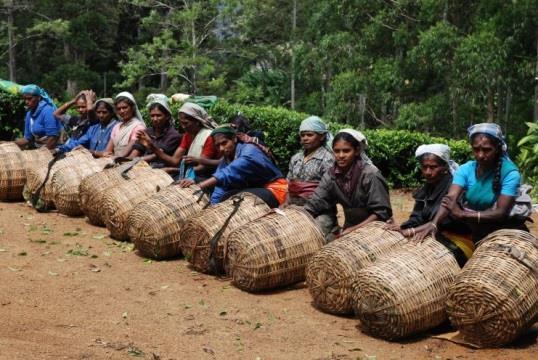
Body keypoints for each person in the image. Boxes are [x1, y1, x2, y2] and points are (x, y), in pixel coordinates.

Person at [415, 123, 527, 243]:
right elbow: (450, 199)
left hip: (505, 233)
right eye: (476, 149)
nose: (480, 155)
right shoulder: (466, 169)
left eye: (487, 150)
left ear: (498, 148)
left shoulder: (509, 173)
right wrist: (434, 224)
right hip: (477, 232)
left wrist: (463, 215)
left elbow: (500, 212)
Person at [386, 144, 473, 265]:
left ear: (445, 167)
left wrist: (411, 231)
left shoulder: (455, 188)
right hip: (430, 236)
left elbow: (444, 221)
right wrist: (402, 228)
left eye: (433, 167)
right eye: (424, 167)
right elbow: (417, 217)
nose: (428, 172)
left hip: (458, 240)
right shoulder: (427, 188)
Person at [305, 129, 392, 238]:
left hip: (376, 229)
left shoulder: (370, 174)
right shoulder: (331, 175)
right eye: (336, 151)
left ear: (356, 151)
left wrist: (354, 229)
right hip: (349, 228)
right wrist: (297, 216)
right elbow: (315, 202)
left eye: (346, 151)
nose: (340, 155)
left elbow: (381, 213)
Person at [178, 125, 287, 207]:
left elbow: (228, 172)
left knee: (240, 199)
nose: (221, 149)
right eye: (217, 146)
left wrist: (199, 186)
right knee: (225, 197)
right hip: (256, 188)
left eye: (224, 143)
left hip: (275, 190)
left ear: (234, 139)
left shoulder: (249, 151)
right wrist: (213, 207)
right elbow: (220, 187)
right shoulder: (226, 159)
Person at [144, 102, 220, 180]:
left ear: (197, 121)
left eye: (186, 123)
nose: (183, 127)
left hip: (206, 176)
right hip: (191, 172)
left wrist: (173, 170)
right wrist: (152, 147)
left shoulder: (208, 136)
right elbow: (174, 161)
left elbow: (201, 168)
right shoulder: (187, 135)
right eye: (181, 123)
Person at [287, 116, 336, 234]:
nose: (305, 138)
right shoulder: (296, 158)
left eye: (309, 135)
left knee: (311, 235)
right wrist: (285, 205)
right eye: (302, 135)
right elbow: (288, 184)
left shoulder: (327, 159)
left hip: (320, 212)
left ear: (322, 136)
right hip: (293, 208)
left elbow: (327, 190)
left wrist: (307, 210)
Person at [132, 94, 181, 168]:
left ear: (167, 116)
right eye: (152, 116)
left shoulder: (173, 135)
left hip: (162, 169)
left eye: (158, 115)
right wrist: (129, 160)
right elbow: (137, 150)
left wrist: (138, 160)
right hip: (142, 166)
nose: (155, 119)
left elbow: (158, 155)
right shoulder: (147, 132)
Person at [15, 84, 62, 150]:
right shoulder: (29, 114)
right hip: (39, 149)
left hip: (53, 149)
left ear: (38, 98)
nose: (26, 102)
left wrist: (41, 154)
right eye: (24, 99)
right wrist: (11, 144)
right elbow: (27, 139)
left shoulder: (47, 111)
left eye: (29, 99)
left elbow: (53, 138)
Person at [102, 92, 146, 157]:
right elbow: (108, 151)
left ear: (132, 108)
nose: (122, 111)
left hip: (128, 162)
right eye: (119, 109)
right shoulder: (116, 127)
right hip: (114, 159)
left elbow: (124, 154)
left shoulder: (138, 127)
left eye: (125, 107)